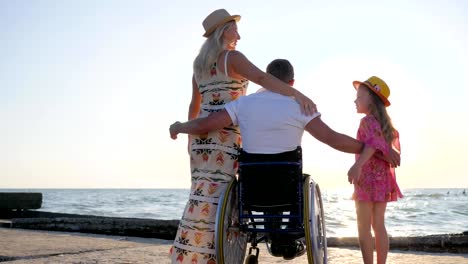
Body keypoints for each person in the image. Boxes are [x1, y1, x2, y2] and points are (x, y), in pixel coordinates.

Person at [171, 59, 401, 261]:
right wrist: (378, 150)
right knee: (296, 177)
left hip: (253, 188)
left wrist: (180, 126)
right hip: (286, 189)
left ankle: (274, 235)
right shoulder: (299, 106)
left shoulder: (243, 104)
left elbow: (204, 125)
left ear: (266, 80)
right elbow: (332, 139)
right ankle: (285, 238)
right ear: (291, 83)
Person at [170, 9, 317, 264]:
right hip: (225, 136)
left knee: (201, 197)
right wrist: (297, 95)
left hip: (200, 138)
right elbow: (262, 78)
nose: (239, 34)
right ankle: (213, 257)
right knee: (219, 199)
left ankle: (191, 254)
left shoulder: (200, 66)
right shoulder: (232, 58)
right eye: (235, 29)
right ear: (224, 31)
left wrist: (190, 136)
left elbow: (195, 104)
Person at [347, 76, 403, 264]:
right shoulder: (384, 125)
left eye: (359, 97)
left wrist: (357, 165)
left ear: (371, 99)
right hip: (382, 180)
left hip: (367, 178)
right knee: (379, 225)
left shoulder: (367, 121)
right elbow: (380, 146)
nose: (355, 101)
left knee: (363, 227)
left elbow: (371, 145)